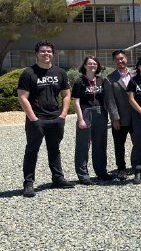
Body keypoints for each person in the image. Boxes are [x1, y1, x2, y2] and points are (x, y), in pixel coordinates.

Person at [18, 40, 74, 197]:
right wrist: (33, 118)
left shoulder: (60, 72)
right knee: (32, 150)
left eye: (49, 51)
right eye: (42, 51)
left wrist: (63, 114)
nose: (46, 54)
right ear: (36, 53)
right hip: (37, 120)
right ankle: (28, 183)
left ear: (52, 53)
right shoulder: (29, 73)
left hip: (56, 118)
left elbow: (66, 94)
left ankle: (58, 179)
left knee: (54, 150)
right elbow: (22, 97)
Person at [73, 55, 112, 185]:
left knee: (100, 144)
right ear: (84, 66)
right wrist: (80, 119)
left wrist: (108, 114)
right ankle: (83, 174)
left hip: (100, 112)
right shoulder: (80, 81)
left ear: (98, 66)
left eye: (95, 64)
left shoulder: (101, 80)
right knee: (83, 145)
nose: (92, 66)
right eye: (89, 63)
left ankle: (101, 171)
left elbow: (106, 99)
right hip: (86, 111)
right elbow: (76, 102)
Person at [105, 50, 136, 181]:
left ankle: (138, 166)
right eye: (117, 59)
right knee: (119, 145)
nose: (120, 61)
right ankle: (121, 169)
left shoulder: (136, 73)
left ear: (126, 59)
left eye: (122, 58)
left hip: (136, 117)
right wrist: (114, 118)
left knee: (138, 143)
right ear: (114, 62)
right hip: (120, 119)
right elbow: (110, 101)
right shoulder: (109, 79)